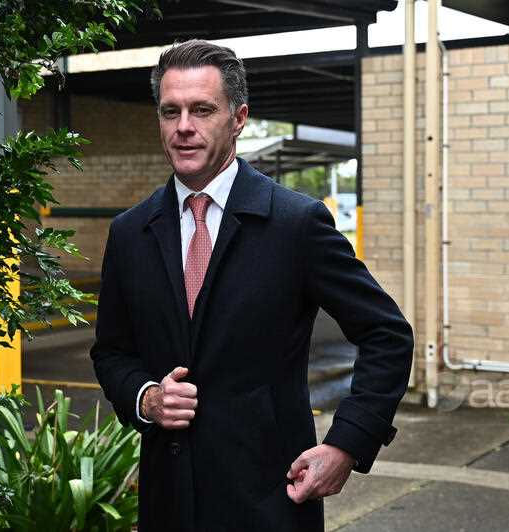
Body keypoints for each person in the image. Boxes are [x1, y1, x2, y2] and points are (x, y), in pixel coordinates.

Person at [90, 39, 413, 532]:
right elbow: (112, 352)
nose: (183, 127)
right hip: (169, 504)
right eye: (170, 111)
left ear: (238, 118)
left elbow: (387, 335)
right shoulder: (131, 232)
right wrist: (146, 396)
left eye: (202, 110)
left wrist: (347, 444)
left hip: (270, 502)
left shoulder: (295, 224)